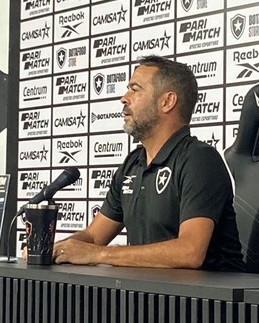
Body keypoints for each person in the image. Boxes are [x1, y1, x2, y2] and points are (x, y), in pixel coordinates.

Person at [52, 55, 244, 271]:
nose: (124, 98)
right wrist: (56, 249)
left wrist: (99, 255)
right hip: (150, 298)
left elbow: (190, 252)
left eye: (135, 89)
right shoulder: (132, 164)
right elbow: (94, 236)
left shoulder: (199, 160)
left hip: (207, 301)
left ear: (167, 102)